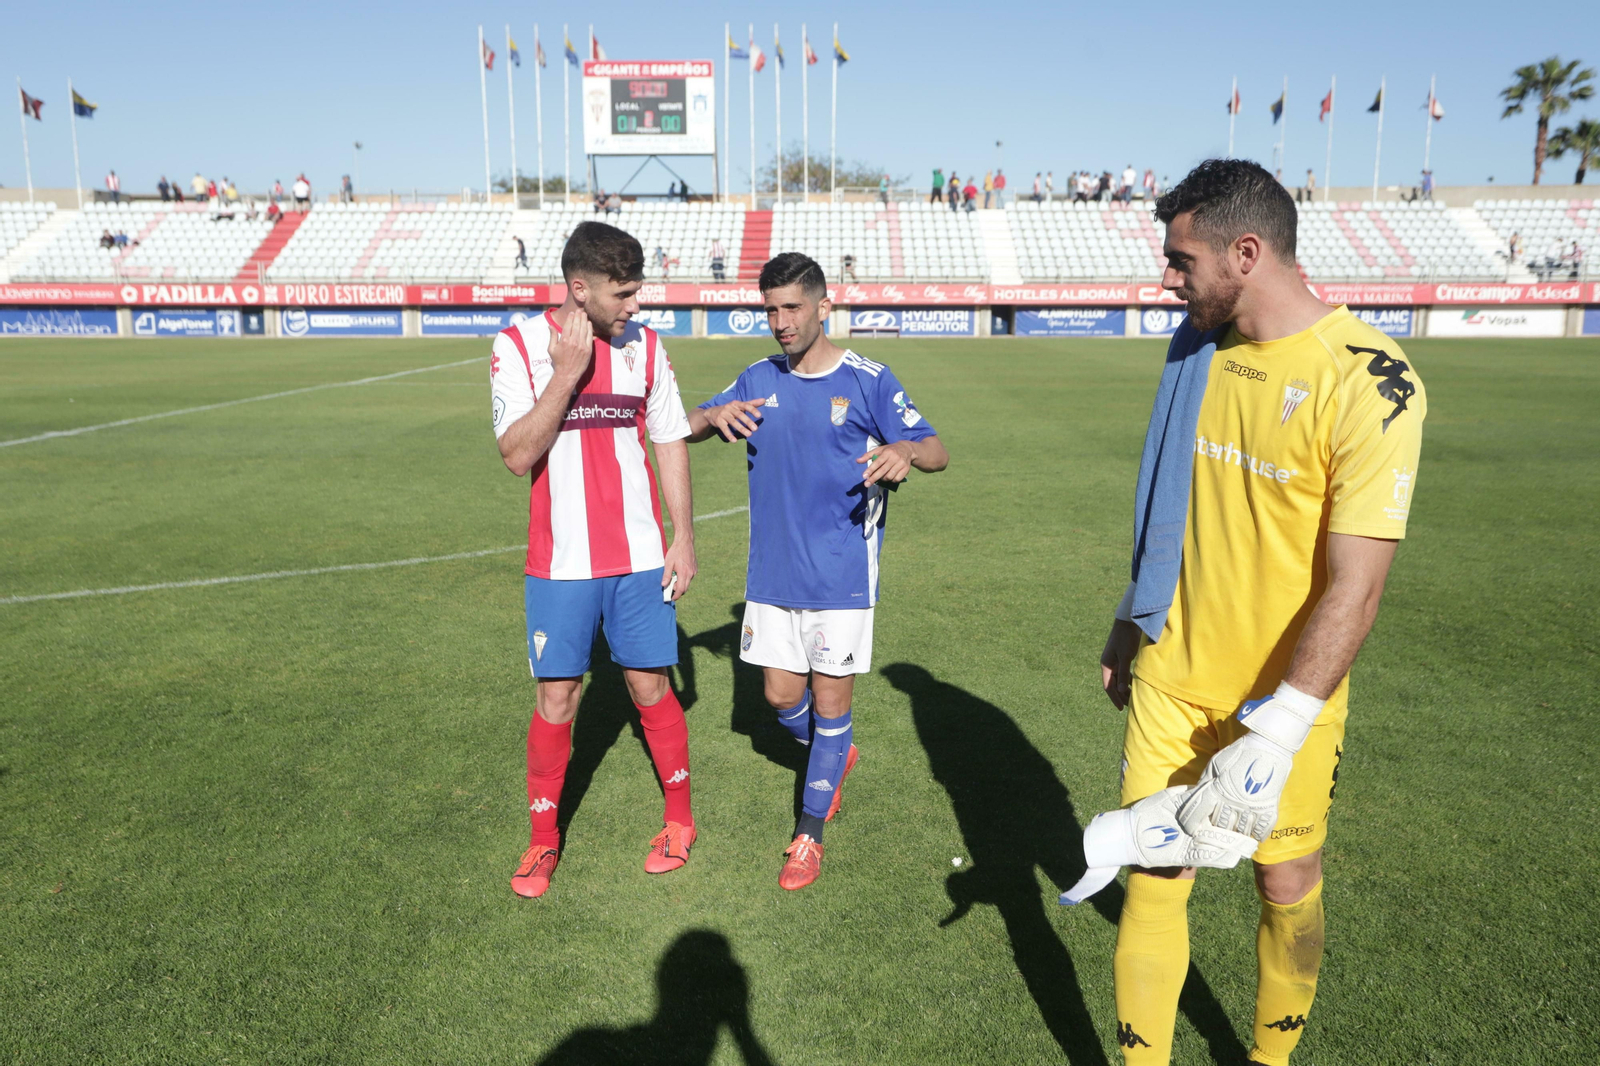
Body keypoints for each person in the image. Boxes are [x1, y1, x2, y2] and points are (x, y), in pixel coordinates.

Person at [1073, 158, 1426, 1066]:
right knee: (1154, 879)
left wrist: (1278, 733)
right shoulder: (1199, 344)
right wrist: (1128, 614)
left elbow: (1359, 583)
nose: (1167, 276)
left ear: (1245, 251)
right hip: (1174, 672)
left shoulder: (1372, 382)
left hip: (1287, 701)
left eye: (1182, 258)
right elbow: (1164, 498)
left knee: (1286, 878)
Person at [684, 252, 948, 890]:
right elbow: (683, 424)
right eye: (770, 309)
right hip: (772, 574)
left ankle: (809, 833)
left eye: (792, 307)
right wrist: (710, 416)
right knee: (779, 698)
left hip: (841, 574)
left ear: (823, 307)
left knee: (830, 703)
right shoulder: (756, 376)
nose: (779, 321)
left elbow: (935, 449)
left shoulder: (868, 379)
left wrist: (905, 450)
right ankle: (837, 752)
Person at [489, 220, 701, 900]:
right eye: (624, 293)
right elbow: (518, 452)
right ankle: (543, 842)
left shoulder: (648, 347)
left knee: (649, 687)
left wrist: (684, 536)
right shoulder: (518, 346)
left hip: (640, 558)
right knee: (558, 697)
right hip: (560, 565)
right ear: (580, 290)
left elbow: (669, 439)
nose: (635, 305)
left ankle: (680, 821)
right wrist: (568, 374)